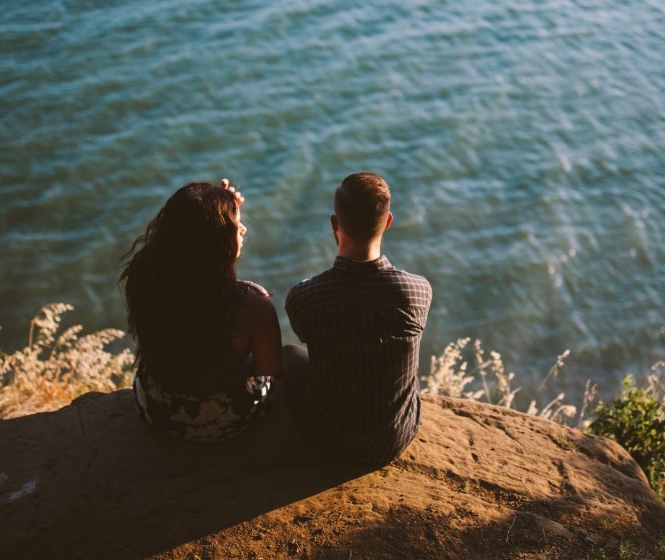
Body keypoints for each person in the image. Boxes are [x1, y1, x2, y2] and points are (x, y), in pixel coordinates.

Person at [284, 172, 433, 465]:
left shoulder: (305, 298)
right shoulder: (418, 291)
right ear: (388, 221)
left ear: (335, 225)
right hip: (394, 439)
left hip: (330, 440)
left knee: (290, 355)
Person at [120, 180, 281, 442]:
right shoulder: (250, 303)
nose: (243, 229)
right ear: (219, 243)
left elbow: (190, 232)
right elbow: (270, 367)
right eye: (235, 227)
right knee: (294, 360)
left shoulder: (143, 279)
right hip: (228, 421)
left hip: (158, 410)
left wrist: (216, 204)